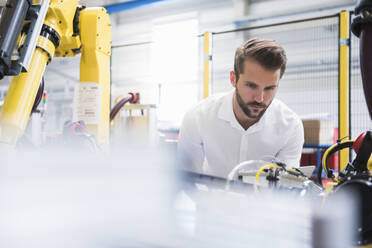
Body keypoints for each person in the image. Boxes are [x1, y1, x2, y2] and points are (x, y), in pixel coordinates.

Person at [177, 38, 304, 178]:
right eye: (251, 85)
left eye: (270, 88)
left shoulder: (290, 126)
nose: (260, 98)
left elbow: (286, 187)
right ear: (233, 78)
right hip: (209, 198)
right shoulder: (198, 117)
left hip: (262, 200)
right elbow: (187, 179)